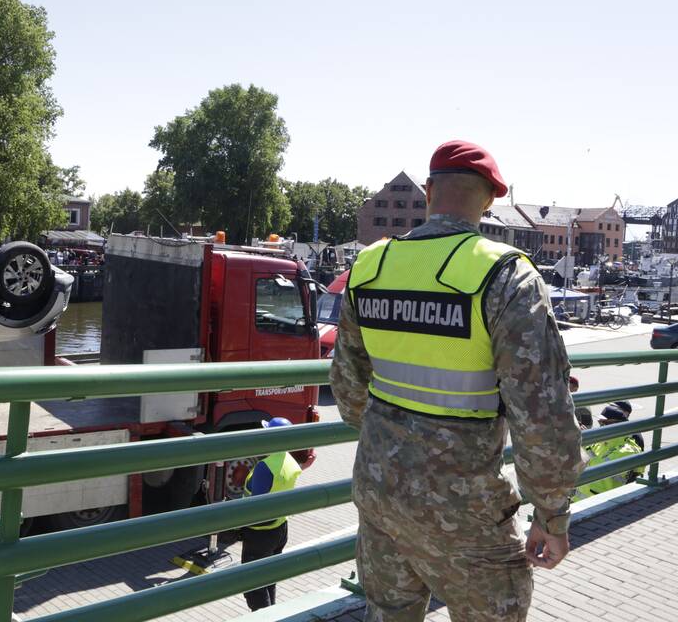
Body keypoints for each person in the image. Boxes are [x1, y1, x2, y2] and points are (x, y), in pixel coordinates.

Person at [330, 140, 586, 622]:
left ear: (428, 191)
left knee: (388, 614)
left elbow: (347, 391)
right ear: (490, 198)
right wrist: (551, 514)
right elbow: (542, 414)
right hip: (464, 509)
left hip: (380, 490)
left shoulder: (371, 266)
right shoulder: (506, 275)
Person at [240, 417, 302, 611]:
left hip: (260, 533)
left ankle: (264, 616)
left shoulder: (264, 468)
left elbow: (256, 505)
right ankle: (272, 612)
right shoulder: (290, 460)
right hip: (280, 528)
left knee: (253, 585)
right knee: (269, 578)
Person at [572, 402, 645, 501]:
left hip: (601, 504)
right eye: (600, 423)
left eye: (604, 423)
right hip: (580, 500)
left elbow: (597, 467)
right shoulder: (602, 441)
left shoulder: (627, 449)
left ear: (617, 425)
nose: (601, 426)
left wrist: (584, 442)